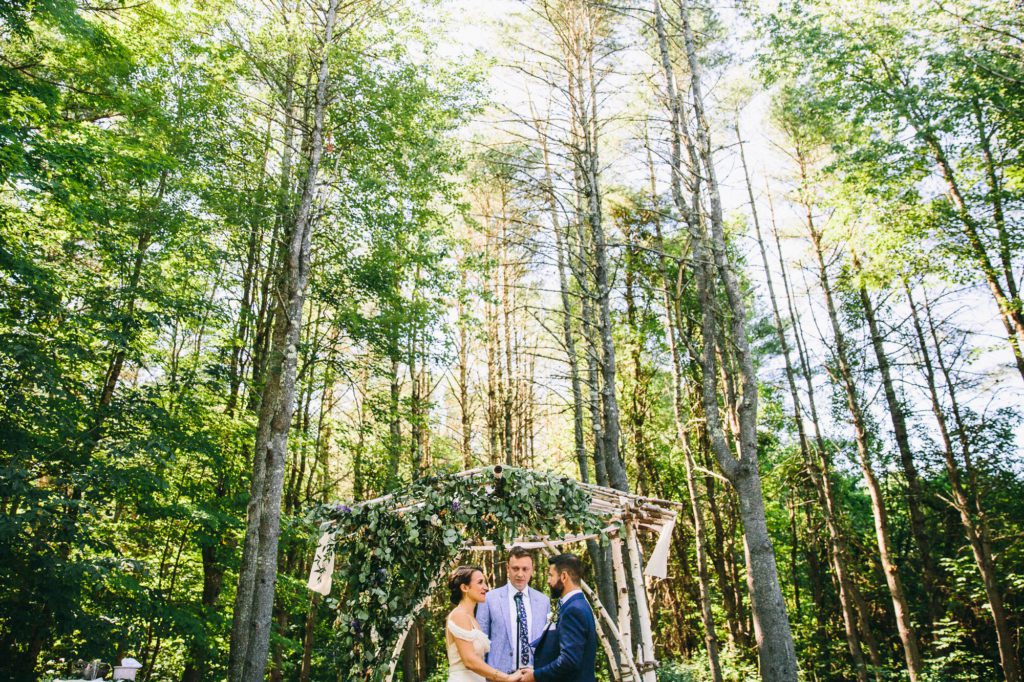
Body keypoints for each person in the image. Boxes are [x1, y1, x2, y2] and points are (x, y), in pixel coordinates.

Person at [521, 553, 597, 682]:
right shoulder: (578, 604)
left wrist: (536, 676)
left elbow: (569, 661)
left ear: (563, 576)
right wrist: (536, 670)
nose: (548, 581)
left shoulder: (573, 610)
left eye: (551, 575)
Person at [446, 566, 526, 682]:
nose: (486, 588)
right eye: (480, 583)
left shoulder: (472, 619)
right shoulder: (459, 615)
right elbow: (469, 661)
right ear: (464, 587)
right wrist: (507, 678)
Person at [477, 547, 550, 674]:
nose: (520, 574)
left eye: (525, 569)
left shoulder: (543, 601)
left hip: (532, 677)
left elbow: (546, 644)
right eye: (515, 568)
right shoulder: (489, 599)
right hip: (498, 677)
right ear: (507, 568)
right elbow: (479, 645)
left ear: (532, 570)